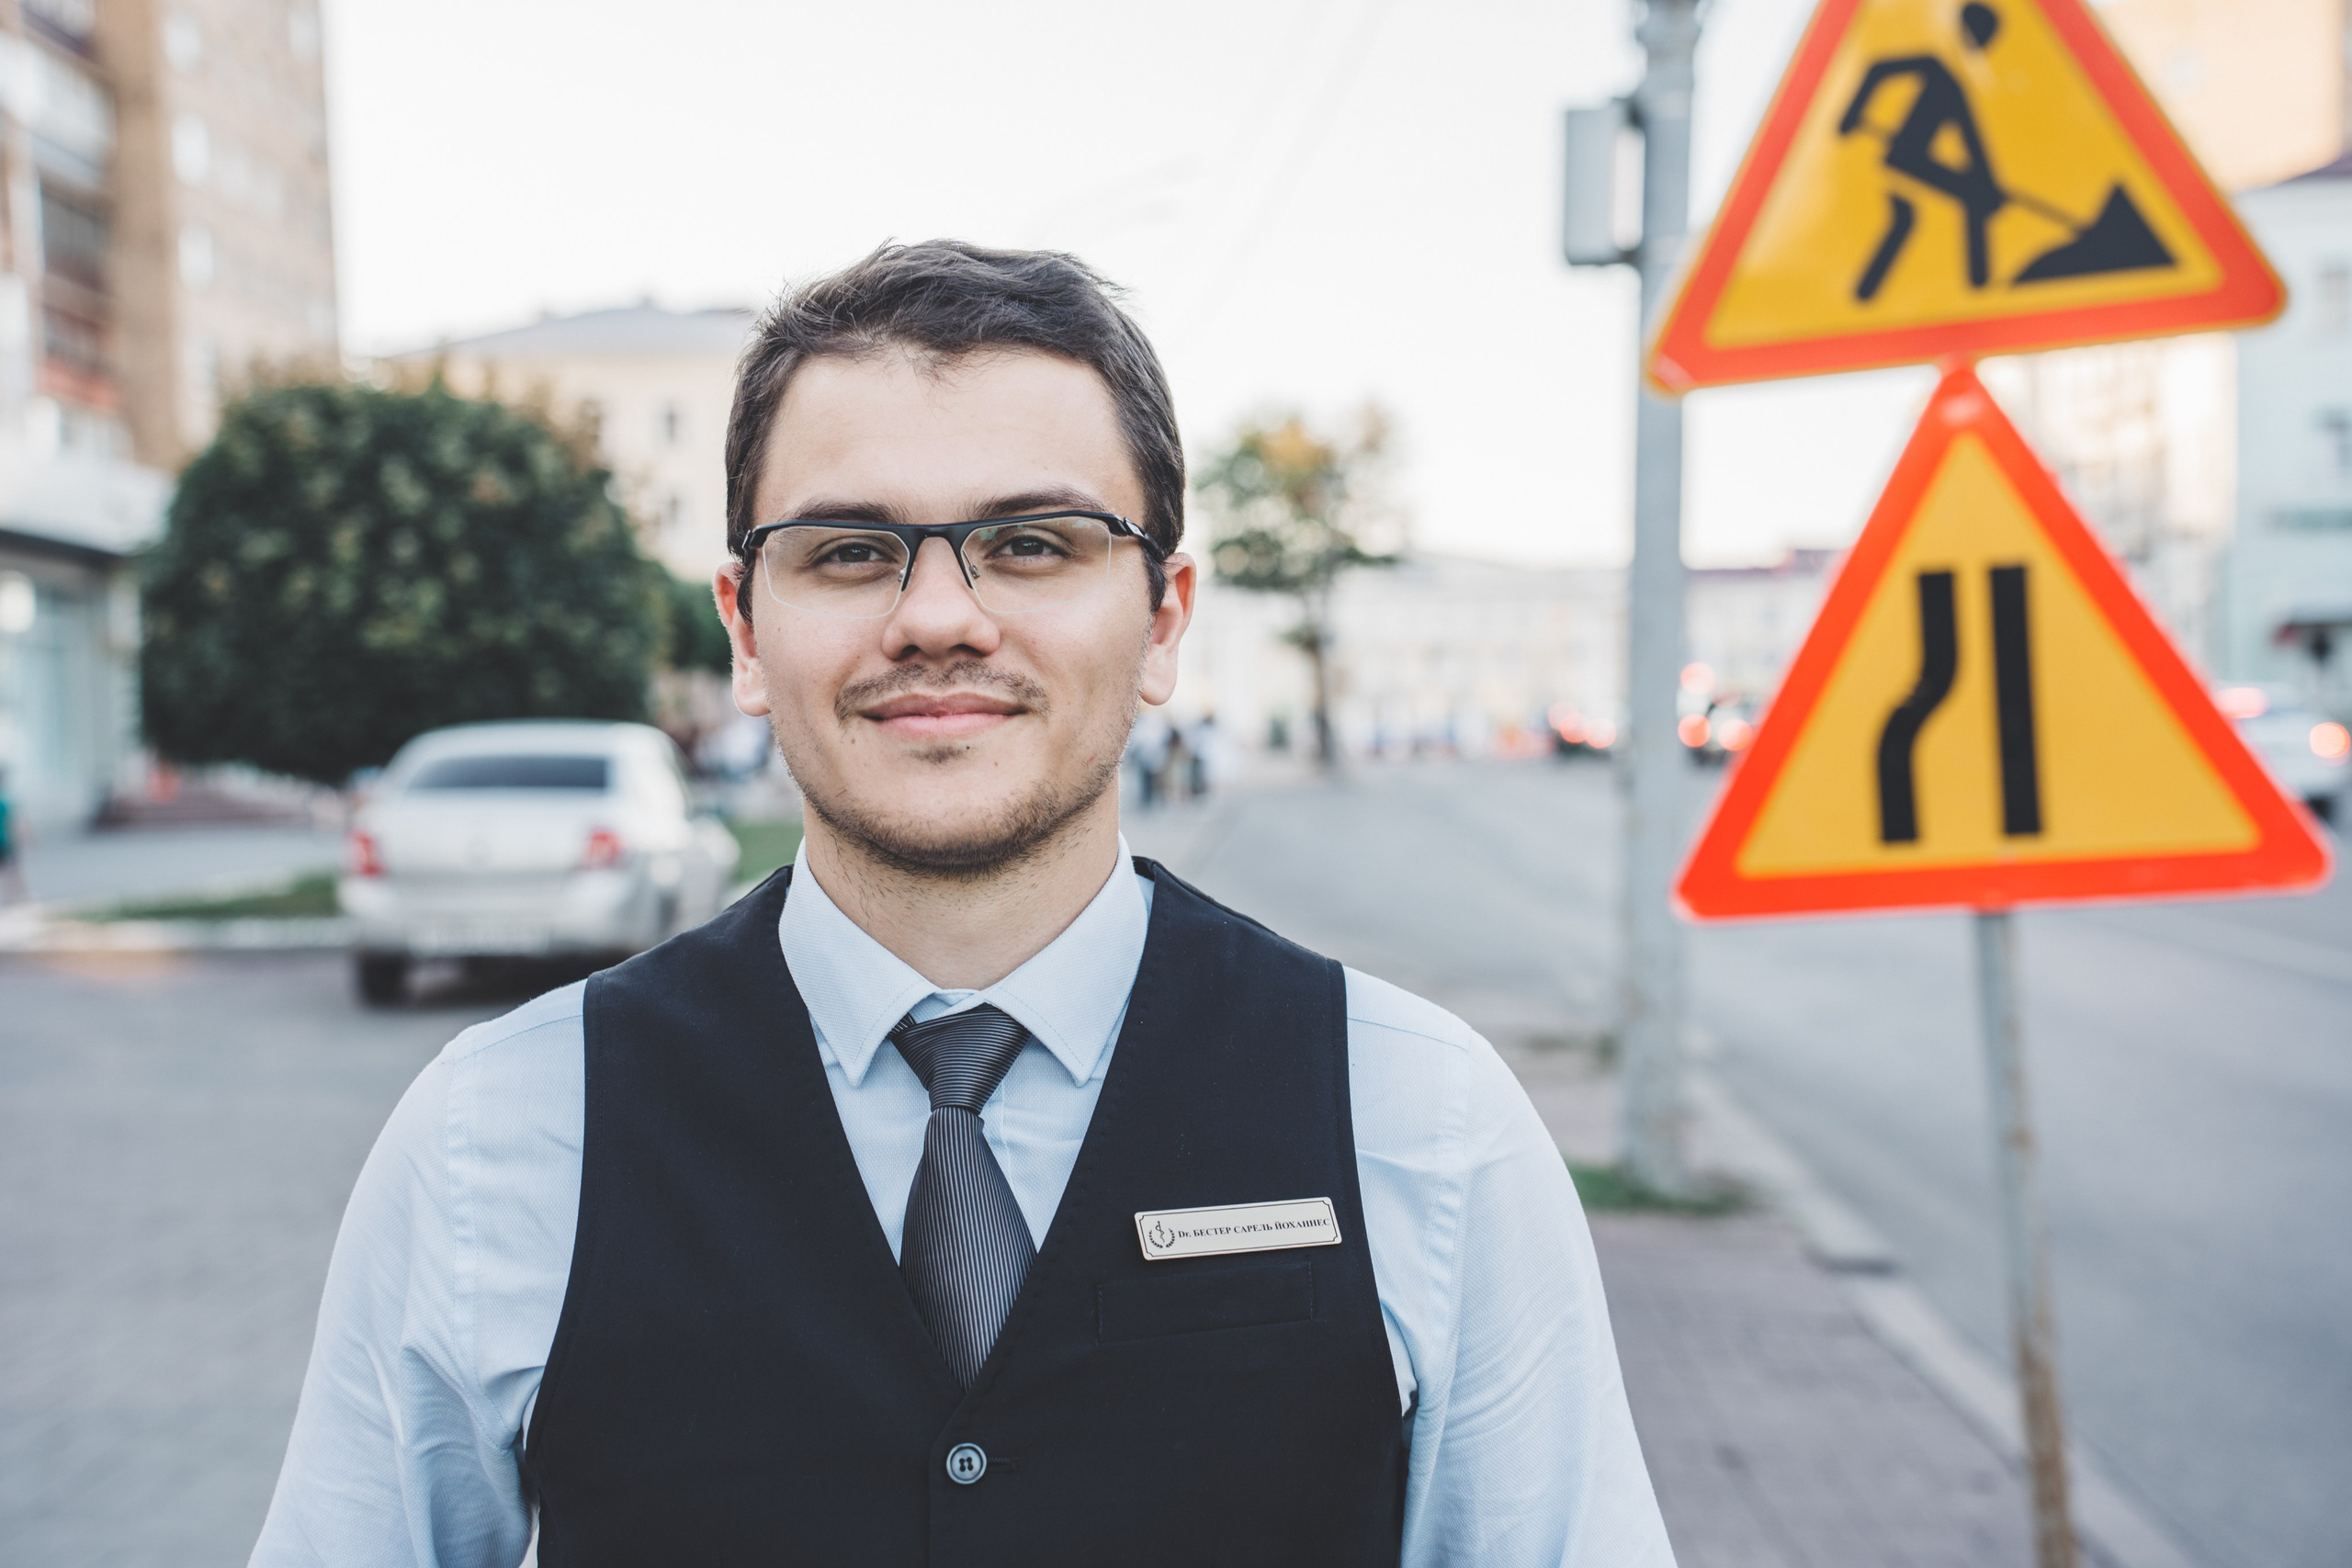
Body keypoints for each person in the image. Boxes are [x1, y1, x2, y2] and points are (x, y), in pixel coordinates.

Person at [250, 242, 1674, 1567]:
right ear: (746, 629)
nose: (937, 615)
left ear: (1166, 617)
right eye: (850, 550)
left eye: (1035, 542)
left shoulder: (1420, 1124)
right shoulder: (500, 1137)